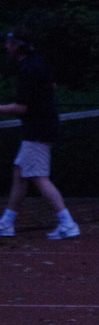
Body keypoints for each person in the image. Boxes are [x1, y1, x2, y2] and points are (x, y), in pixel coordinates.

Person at [0, 26, 80, 239]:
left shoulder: (27, 69)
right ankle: (6, 223)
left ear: (18, 46)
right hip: (42, 126)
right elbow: (51, 86)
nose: (7, 46)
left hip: (38, 129)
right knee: (20, 173)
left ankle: (67, 223)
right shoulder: (38, 62)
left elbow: (21, 107)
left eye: (10, 43)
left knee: (38, 177)